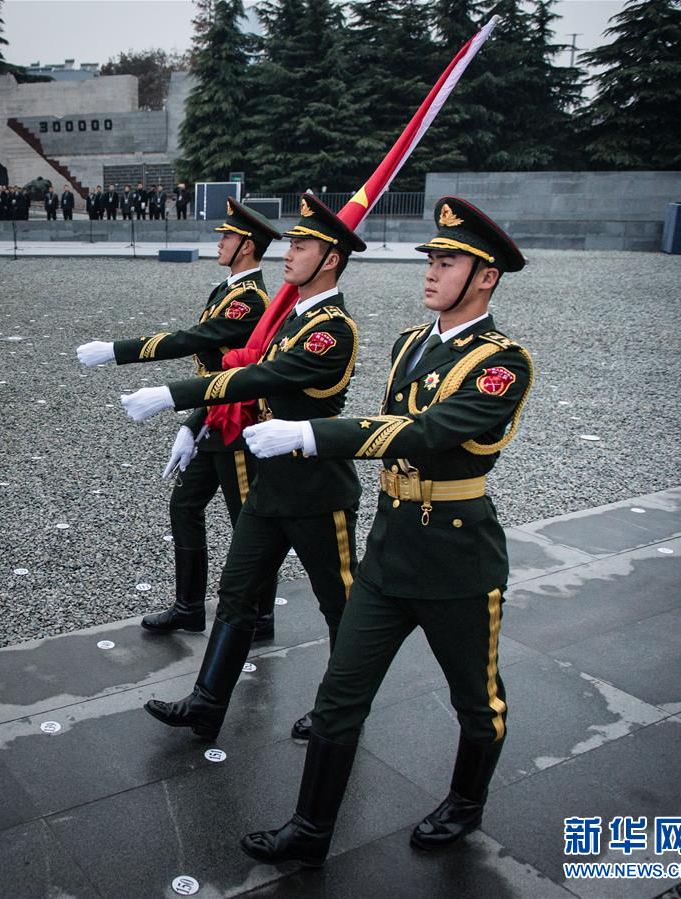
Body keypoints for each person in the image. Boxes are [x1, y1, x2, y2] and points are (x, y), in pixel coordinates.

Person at [239, 196, 534, 866]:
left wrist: (312, 433)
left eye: (449, 260)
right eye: (431, 257)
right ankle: (310, 830)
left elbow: (427, 432)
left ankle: (465, 800)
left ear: (485, 276)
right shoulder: (410, 342)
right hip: (391, 546)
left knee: (477, 701)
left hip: (457, 556)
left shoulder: (502, 363)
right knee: (340, 693)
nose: (431, 270)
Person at [119, 193, 365, 742]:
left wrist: (171, 393)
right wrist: (196, 422)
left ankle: (341, 708)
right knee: (236, 594)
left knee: (340, 605)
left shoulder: (332, 329)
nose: (290, 252)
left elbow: (256, 379)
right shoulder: (291, 320)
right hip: (271, 485)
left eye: (302, 245)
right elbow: (246, 372)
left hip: (316, 490)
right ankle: (207, 702)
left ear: (330, 259)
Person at [76, 199, 284, 644]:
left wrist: (119, 351)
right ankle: (189, 607)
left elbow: (195, 340)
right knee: (184, 506)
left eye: (228, 237)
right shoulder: (228, 289)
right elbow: (210, 372)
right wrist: (192, 424)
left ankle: (260, 615)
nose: (221, 242)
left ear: (247, 246)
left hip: (239, 425)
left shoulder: (250, 299)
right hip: (213, 415)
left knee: (246, 522)